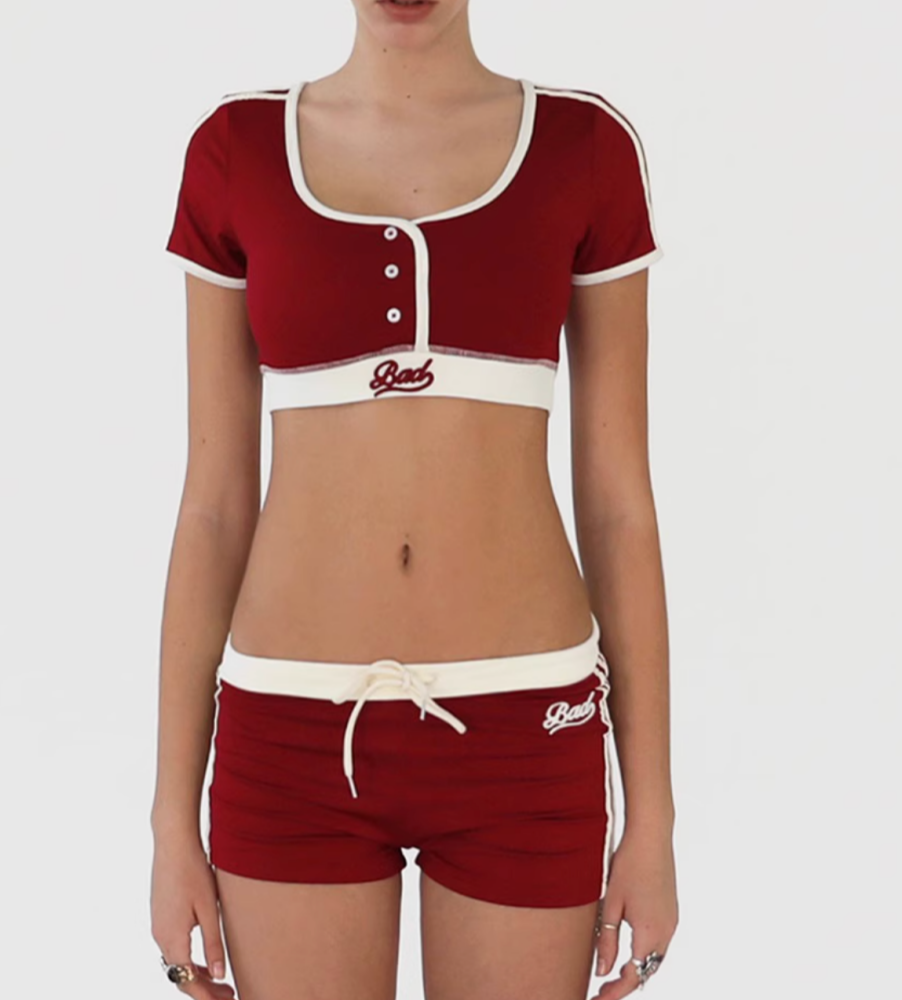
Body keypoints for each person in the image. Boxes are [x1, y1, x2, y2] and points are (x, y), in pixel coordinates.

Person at [150, 1, 678, 998]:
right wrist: (169, 821)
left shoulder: (584, 147)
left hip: (528, 730)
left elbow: (619, 503)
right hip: (287, 736)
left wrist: (652, 821)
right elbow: (212, 505)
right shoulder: (236, 151)